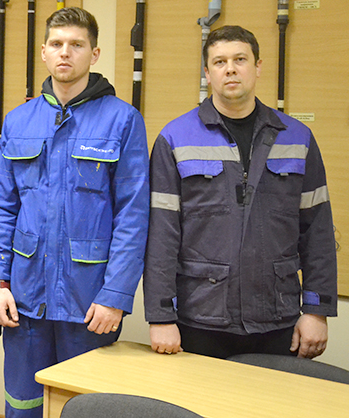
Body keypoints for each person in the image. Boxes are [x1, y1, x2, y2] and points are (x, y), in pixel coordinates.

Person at [0, 7, 149, 418]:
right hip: (25, 299)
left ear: (94, 54)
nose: (65, 53)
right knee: (22, 405)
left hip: (90, 302)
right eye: (57, 44)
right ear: (43, 52)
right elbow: (2, 208)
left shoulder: (122, 120)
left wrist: (115, 296)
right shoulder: (18, 121)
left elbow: (132, 215)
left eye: (76, 45)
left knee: (84, 407)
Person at [144, 25, 337, 360]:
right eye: (219, 62)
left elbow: (317, 230)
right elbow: (162, 235)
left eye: (240, 60)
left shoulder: (297, 137)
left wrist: (317, 310)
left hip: (277, 316)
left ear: (258, 67)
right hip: (200, 317)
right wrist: (161, 316)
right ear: (207, 73)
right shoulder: (175, 138)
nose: (230, 69)